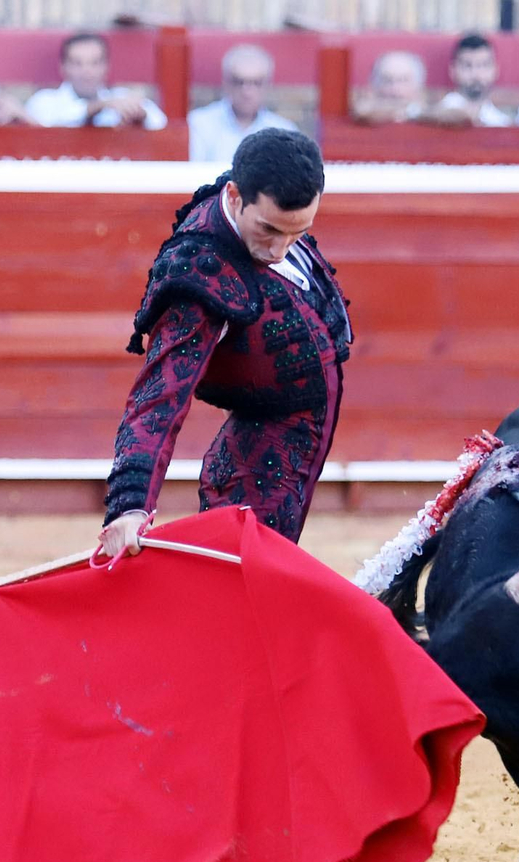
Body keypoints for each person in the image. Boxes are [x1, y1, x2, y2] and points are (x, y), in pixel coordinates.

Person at [99, 128, 352, 558]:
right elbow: (159, 396)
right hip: (259, 466)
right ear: (234, 197)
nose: (280, 250)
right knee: (244, 577)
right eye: (269, 229)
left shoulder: (261, 212)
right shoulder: (201, 271)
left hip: (285, 456)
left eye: (297, 233)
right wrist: (129, 505)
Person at [25, 33, 167, 130]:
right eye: (77, 63)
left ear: (106, 66)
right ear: (63, 67)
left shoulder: (121, 98)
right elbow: (50, 126)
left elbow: (161, 124)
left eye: (95, 63)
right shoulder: (44, 101)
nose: (87, 71)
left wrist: (140, 116)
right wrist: (99, 106)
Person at [187, 44, 296, 163]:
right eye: (239, 82)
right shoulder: (198, 124)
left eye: (256, 83)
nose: (247, 92)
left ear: (268, 86)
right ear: (226, 83)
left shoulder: (284, 131)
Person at [437, 33, 510, 128]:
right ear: (453, 70)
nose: (476, 74)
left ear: (495, 70)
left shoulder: (501, 123)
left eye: (484, 65)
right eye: (467, 65)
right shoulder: (435, 116)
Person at [351, 50, 427, 125]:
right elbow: (362, 111)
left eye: (403, 80)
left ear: (418, 84)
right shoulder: (362, 103)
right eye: (387, 80)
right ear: (374, 84)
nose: (395, 88)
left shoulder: (429, 105)